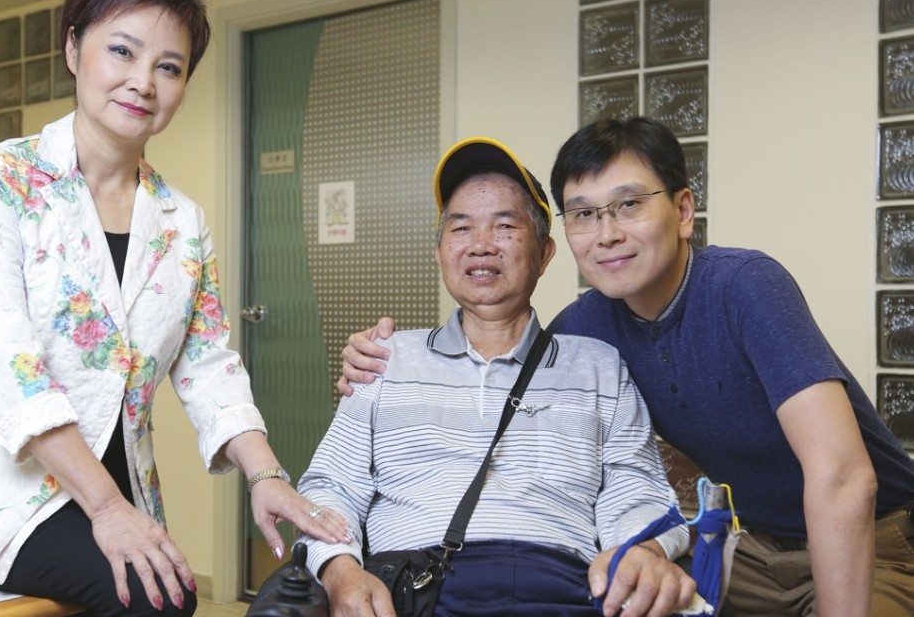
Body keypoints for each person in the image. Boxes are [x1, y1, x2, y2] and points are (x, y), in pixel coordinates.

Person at [0, 0, 347, 616]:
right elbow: (9, 369)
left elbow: (210, 367)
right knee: (160, 599)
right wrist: (107, 508)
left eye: (169, 67)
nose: (143, 82)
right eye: (123, 52)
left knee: (164, 592)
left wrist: (267, 475)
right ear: (74, 48)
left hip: (113, 487)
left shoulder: (182, 223)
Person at [340, 118, 914, 617]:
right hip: (750, 552)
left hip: (875, 542)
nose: (608, 233)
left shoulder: (745, 288)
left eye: (630, 205)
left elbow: (844, 478)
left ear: (684, 210)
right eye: (585, 213)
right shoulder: (581, 335)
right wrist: (368, 366)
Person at [299, 136, 696, 617]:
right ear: (440, 250)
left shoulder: (598, 365)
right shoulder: (384, 359)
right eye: (461, 228)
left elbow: (636, 487)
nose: (481, 245)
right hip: (413, 589)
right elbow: (331, 485)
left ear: (545, 252)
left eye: (505, 225)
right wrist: (340, 569)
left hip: (559, 589)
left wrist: (641, 550)